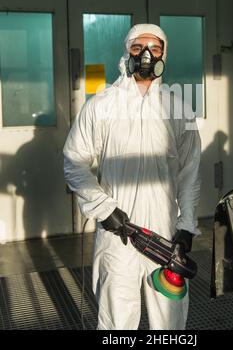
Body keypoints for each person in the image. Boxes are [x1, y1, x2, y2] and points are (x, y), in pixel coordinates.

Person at [63, 23, 201, 330]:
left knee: (169, 321)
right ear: (126, 53)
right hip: (118, 234)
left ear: (165, 54)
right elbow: (74, 162)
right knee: (116, 321)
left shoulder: (180, 109)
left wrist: (187, 224)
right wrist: (104, 208)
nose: (147, 56)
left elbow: (190, 171)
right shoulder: (100, 106)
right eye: (138, 48)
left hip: (165, 234)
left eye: (155, 48)